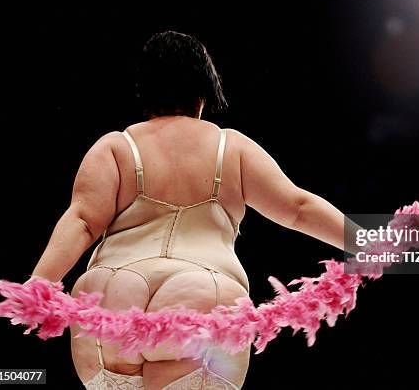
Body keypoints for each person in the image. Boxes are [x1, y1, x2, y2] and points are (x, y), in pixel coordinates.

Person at [30, 31, 348, 389]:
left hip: (111, 293)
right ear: (204, 94)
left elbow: (82, 221)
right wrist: (371, 240)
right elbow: (297, 208)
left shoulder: (115, 147)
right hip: (202, 292)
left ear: (145, 92)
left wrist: (37, 285)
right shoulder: (232, 147)